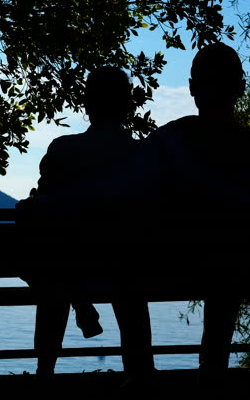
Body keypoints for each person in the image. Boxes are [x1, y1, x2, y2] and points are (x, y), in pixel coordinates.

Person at [131, 42, 250, 388]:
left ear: (192, 87)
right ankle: (212, 371)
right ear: (241, 88)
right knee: (230, 258)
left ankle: (141, 373)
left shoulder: (167, 141)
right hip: (236, 267)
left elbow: (127, 190)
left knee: (125, 267)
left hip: (167, 264)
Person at [20, 66, 155, 378]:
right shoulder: (145, 155)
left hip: (69, 264)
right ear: (128, 106)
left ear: (87, 105)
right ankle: (141, 374)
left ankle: (46, 371)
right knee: (121, 272)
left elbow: (49, 214)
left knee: (52, 258)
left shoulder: (63, 149)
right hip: (129, 265)